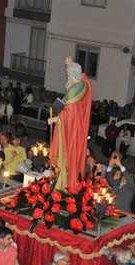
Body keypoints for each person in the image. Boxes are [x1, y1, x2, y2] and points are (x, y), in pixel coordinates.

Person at [48, 56, 92, 191]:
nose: (67, 75)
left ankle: (64, 185)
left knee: (67, 155)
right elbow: (84, 77)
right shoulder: (83, 83)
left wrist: (56, 119)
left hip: (71, 128)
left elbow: (70, 112)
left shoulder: (74, 89)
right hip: (76, 127)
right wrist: (70, 64)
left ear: (73, 74)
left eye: (68, 73)